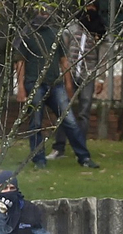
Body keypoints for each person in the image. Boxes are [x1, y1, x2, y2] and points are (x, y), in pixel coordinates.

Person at [14, 7, 100, 169]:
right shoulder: (26, 34)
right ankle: (39, 160)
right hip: (34, 84)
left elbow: (64, 60)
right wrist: (21, 87)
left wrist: (68, 84)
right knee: (36, 123)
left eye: (47, 12)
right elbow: (20, 62)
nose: (45, 15)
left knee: (70, 120)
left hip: (55, 84)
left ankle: (84, 158)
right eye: (42, 12)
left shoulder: (55, 33)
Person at [47, 1, 106, 160]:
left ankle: (80, 148)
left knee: (84, 113)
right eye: (87, 6)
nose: (90, 10)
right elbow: (62, 50)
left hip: (88, 76)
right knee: (64, 111)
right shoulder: (72, 27)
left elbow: (103, 57)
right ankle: (58, 148)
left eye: (93, 7)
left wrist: (100, 78)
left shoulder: (99, 30)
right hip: (70, 74)